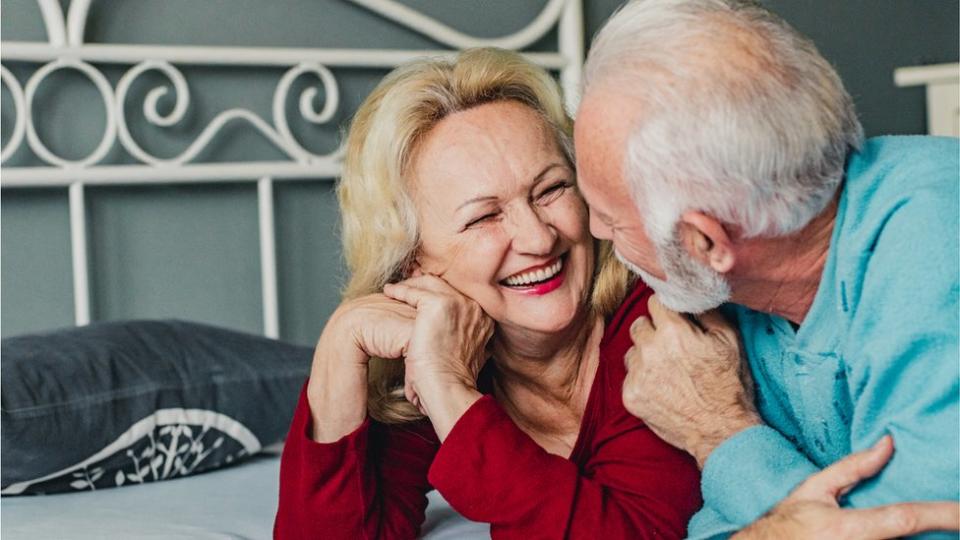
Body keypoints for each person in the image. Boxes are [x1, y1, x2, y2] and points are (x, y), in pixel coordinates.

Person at [274, 48, 702, 539]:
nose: (540, 238)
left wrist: (451, 392)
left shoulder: (658, 316)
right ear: (414, 261)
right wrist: (339, 342)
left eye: (551, 189)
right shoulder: (437, 354)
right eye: (484, 216)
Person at [573, 0, 960, 538]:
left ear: (706, 241)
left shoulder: (938, 250)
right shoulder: (738, 306)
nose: (592, 231)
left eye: (612, 220)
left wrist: (721, 435)